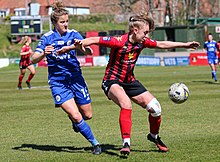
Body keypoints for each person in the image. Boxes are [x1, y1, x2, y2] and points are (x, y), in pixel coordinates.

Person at [57, 13, 200, 155]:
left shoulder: (142, 42)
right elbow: (94, 39)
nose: (146, 36)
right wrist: (71, 48)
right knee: (126, 104)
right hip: (112, 81)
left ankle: (154, 136)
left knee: (156, 109)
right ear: (135, 30)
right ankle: (126, 143)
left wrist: (185, 44)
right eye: (145, 32)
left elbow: (161, 44)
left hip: (129, 81)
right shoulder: (118, 41)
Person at [31, 0, 101, 155]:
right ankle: (95, 144)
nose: (65, 24)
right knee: (76, 115)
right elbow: (33, 58)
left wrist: (80, 46)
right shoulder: (47, 38)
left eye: (67, 21)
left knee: (87, 115)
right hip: (58, 83)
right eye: (62, 22)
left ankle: (76, 122)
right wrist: (44, 53)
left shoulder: (74, 34)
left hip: (76, 79)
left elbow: (89, 52)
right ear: (54, 23)